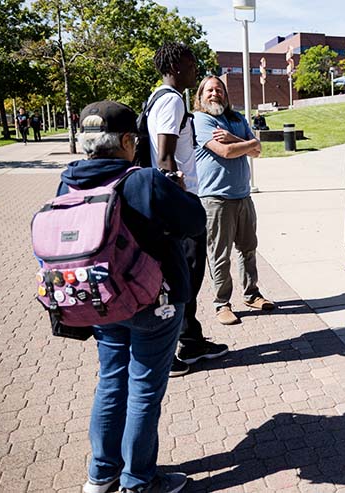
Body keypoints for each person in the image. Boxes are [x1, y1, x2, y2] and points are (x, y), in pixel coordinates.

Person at [62, 101, 201, 493]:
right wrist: (177, 190)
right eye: (134, 140)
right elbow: (193, 222)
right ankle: (139, 480)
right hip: (151, 302)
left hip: (98, 300)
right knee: (143, 390)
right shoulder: (143, 181)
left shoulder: (68, 180)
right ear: (126, 141)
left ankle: (101, 473)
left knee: (110, 381)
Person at [148, 42, 228, 377]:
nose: (196, 68)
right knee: (184, 277)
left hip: (178, 198)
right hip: (179, 201)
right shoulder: (170, 100)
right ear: (178, 64)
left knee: (188, 274)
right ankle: (170, 350)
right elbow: (165, 155)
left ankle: (192, 339)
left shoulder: (160, 97)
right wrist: (176, 200)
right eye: (192, 63)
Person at [192, 75, 275, 326]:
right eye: (209, 90)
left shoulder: (237, 119)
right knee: (220, 255)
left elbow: (257, 150)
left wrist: (236, 138)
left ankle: (251, 294)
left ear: (226, 94)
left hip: (243, 196)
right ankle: (222, 304)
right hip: (215, 199)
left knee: (248, 249)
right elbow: (225, 152)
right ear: (200, 95)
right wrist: (244, 144)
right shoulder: (201, 120)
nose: (214, 93)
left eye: (219, 89)